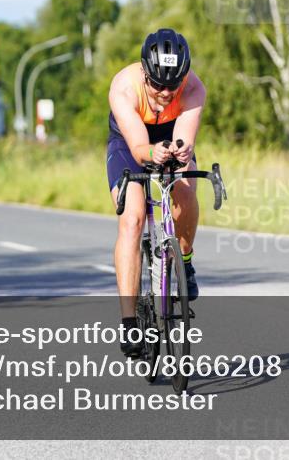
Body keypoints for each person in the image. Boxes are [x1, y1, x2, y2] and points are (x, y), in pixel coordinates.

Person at [106, 28, 206, 357]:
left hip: (169, 132)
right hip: (129, 139)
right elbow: (137, 147)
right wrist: (151, 153)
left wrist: (177, 151)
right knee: (133, 219)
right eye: (158, 84)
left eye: (172, 84)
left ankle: (185, 262)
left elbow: (185, 139)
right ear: (144, 73)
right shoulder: (124, 87)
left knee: (187, 187)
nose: (165, 92)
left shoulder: (192, 87)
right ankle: (129, 322)